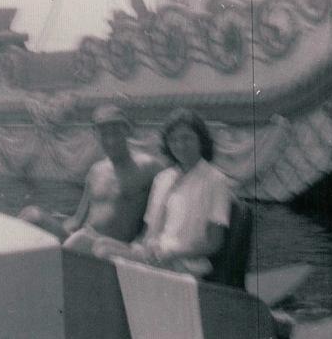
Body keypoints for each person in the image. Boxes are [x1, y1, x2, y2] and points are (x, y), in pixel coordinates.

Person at [93, 108, 231, 277]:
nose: (180, 145)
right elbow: (149, 230)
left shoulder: (216, 180)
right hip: (156, 254)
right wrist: (142, 248)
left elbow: (214, 242)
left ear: (201, 140)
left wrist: (172, 253)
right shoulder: (163, 178)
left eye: (187, 138)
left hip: (184, 262)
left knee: (104, 254)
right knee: (100, 244)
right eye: (173, 140)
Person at [19, 104, 163, 252]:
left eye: (116, 132)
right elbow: (77, 219)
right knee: (31, 215)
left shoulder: (149, 167)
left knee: (78, 240)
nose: (110, 140)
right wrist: (55, 230)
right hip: (84, 240)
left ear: (127, 131)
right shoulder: (96, 170)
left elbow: (167, 206)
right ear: (96, 135)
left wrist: (143, 243)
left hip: (112, 247)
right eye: (104, 134)